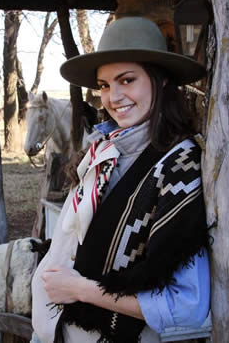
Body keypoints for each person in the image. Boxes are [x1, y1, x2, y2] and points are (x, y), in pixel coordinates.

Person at [30, 17, 211, 343]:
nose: (113, 97)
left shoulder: (178, 166)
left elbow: (187, 305)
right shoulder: (103, 151)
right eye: (104, 85)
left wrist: (82, 290)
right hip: (54, 330)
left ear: (162, 81)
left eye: (127, 80)